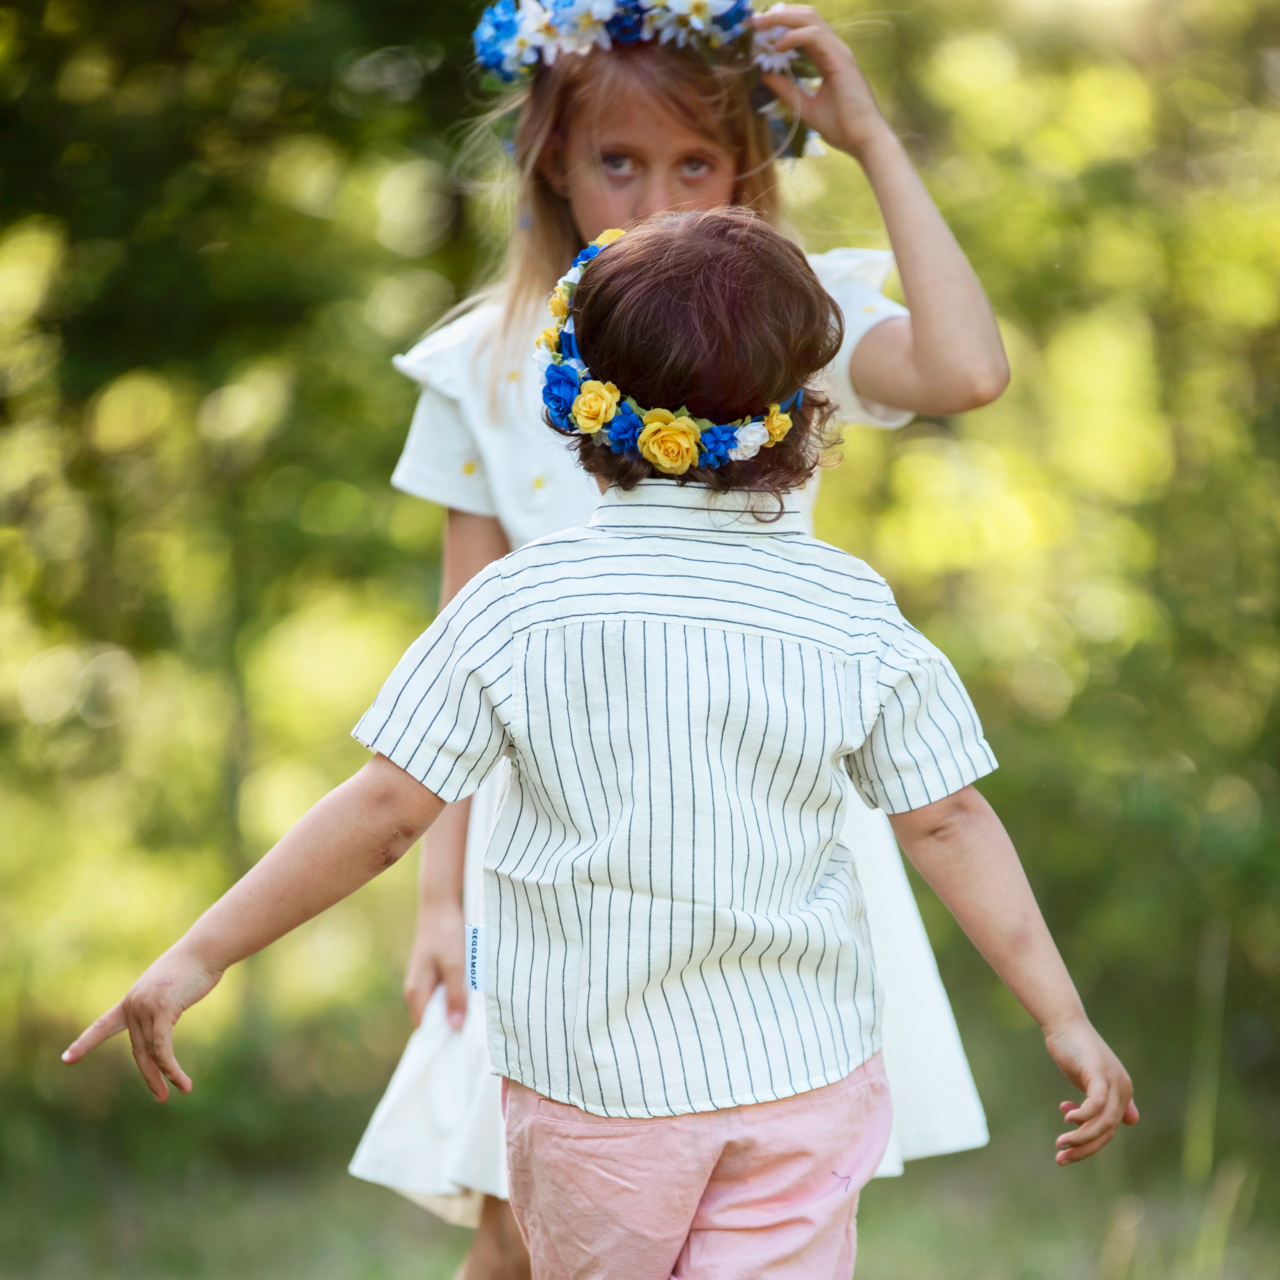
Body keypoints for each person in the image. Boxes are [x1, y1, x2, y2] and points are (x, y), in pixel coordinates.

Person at [63, 208, 1139, 1280]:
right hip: (798, 1078)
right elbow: (944, 814)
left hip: (593, 1096)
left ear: (575, 405)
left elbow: (384, 814)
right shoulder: (848, 607)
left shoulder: (515, 606)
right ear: (799, 414)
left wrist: (197, 953)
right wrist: (1062, 1013)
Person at [350, 3, 1010, 1272]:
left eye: (694, 164)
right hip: (559, 858)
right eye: (618, 161)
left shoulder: (783, 327)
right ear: (551, 157)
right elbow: (451, 648)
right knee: (517, 1214)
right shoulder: (482, 366)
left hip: (761, 848)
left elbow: (966, 369)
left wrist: (868, 137)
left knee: (743, 1198)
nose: (653, 196)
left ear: (749, 164)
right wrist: (437, 897)